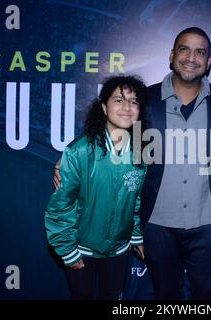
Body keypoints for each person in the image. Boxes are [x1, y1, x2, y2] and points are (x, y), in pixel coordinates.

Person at [139, 27, 211, 299]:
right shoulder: (145, 99)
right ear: (172, 56)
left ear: (208, 62)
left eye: (200, 52)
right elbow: (119, 142)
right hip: (158, 224)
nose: (192, 57)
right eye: (184, 49)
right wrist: (74, 154)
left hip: (208, 223)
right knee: (165, 297)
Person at [45, 75, 148, 300]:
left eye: (134, 101)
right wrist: (68, 251)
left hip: (119, 249)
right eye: (119, 100)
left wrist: (136, 235)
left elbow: (136, 201)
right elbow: (60, 207)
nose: (127, 108)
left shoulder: (141, 151)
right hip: (82, 248)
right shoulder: (79, 151)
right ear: (103, 107)